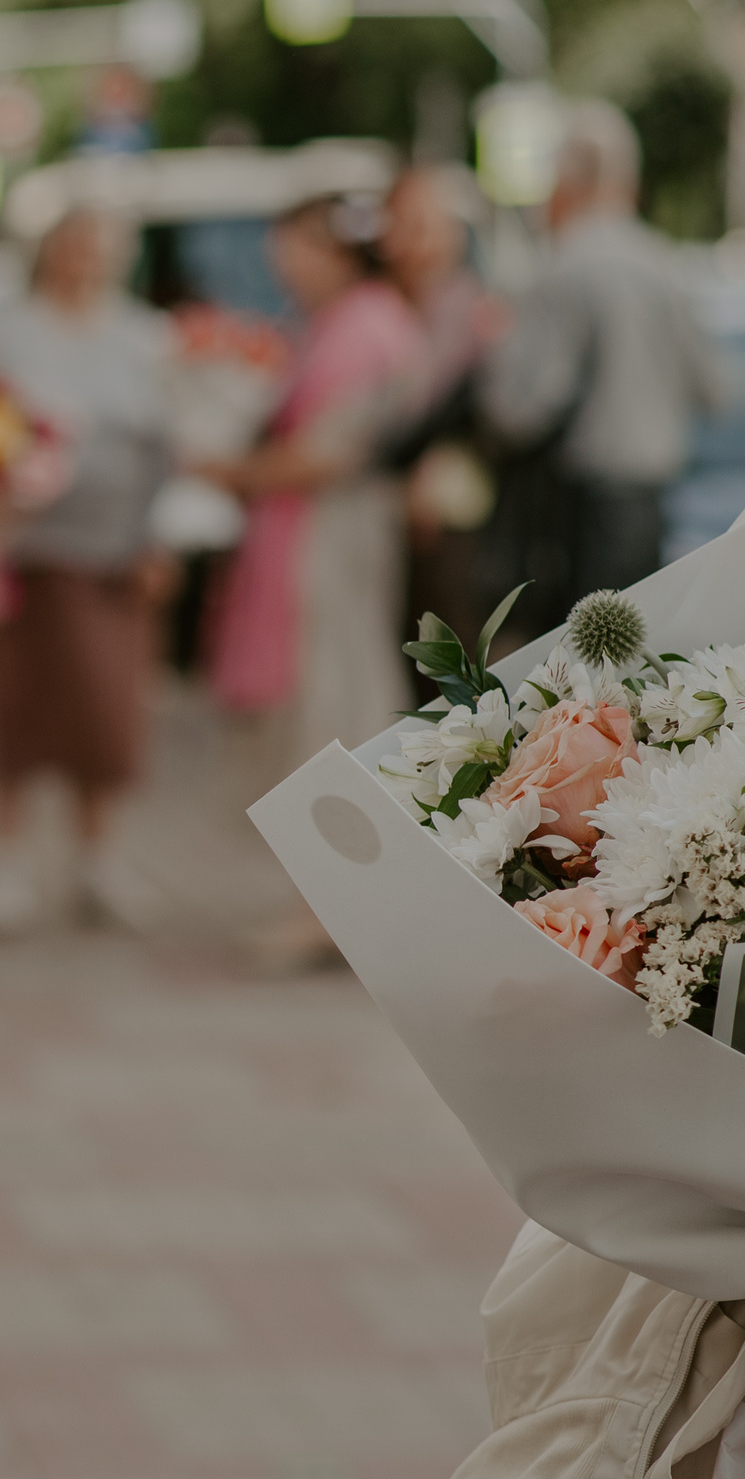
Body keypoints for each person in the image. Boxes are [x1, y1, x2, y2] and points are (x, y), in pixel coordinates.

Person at [202, 196, 424, 970]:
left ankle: (335, 907)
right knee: (320, 712)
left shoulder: (366, 329)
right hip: (312, 537)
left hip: (330, 543)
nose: (281, 266)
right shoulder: (344, 323)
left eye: (292, 248)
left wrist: (233, 470)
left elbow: (331, 452)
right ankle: (327, 899)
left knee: (334, 714)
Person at [0, 207, 174, 935]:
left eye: (98, 248)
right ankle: (5, 859)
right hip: (27, 549)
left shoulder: (145, 336)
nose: (84, 261)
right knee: (18, 705)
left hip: (114, 551)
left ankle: (97, 860)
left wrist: (159, 541)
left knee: (106, 710)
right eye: (72, 247)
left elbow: (168, 452)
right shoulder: (9, 331)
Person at [480, 100, 728, 637]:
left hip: (581, 509)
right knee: (639, 667)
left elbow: (524, 409)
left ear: (567, 183)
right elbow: (715, 388)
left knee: (578, 673)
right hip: (655, 498)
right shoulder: (661, 262)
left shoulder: (564, 267)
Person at [376, 162, 498, 649]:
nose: (407, 241)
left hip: (447, 512)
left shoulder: (468, 309)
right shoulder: (391, 302)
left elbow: (437, 412)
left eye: (422, 225)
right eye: (399, 224)